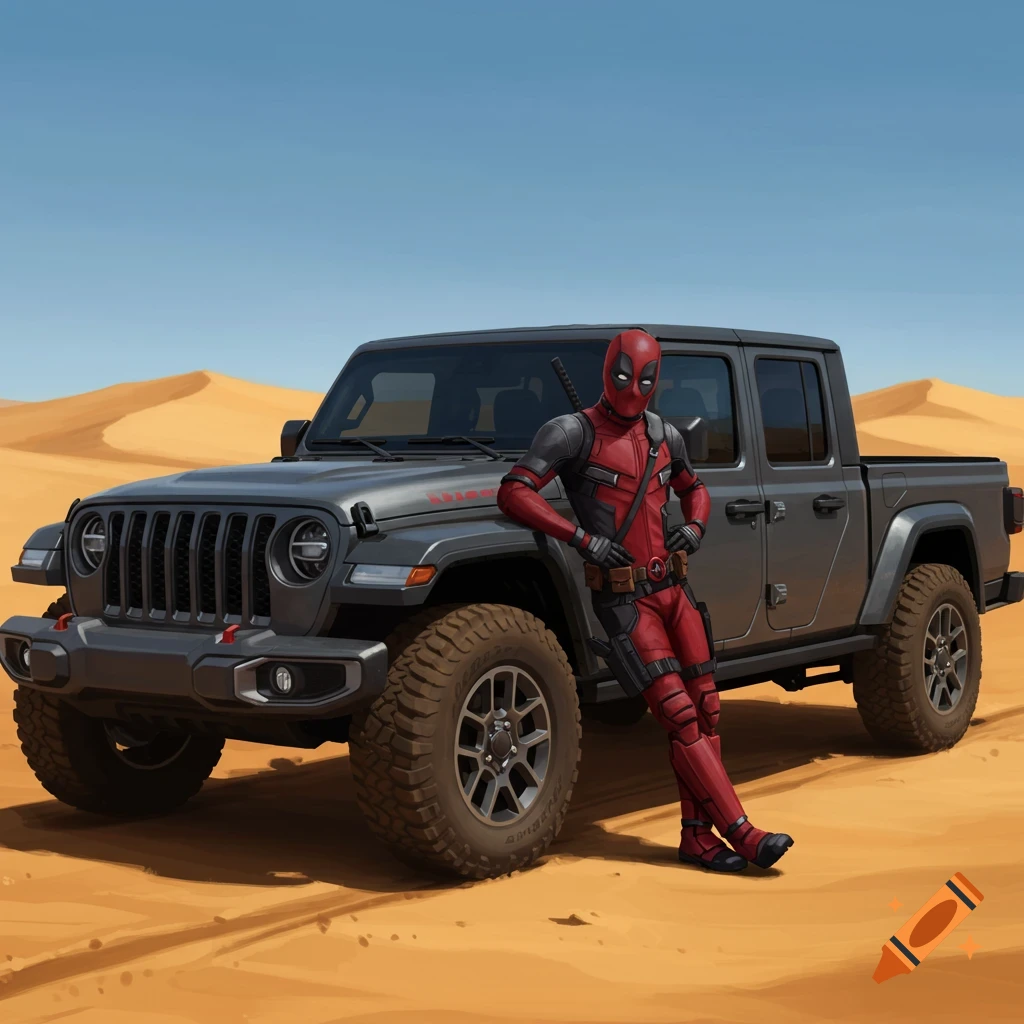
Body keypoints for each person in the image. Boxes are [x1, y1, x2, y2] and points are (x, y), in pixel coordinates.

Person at [496, 329, 793, 872]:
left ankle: (697, 839)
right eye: (624, 375)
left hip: (675, 592)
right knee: (679, 715)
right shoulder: (571, 433)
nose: (634, 388)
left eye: (646, 378)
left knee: (707, 710)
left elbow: (694, 488)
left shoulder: (664, 434)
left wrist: (696, 528)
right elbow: (514, 491)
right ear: (608, 371)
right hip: (626, 601)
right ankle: (743, 833)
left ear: (658, 380)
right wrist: (581, 539)